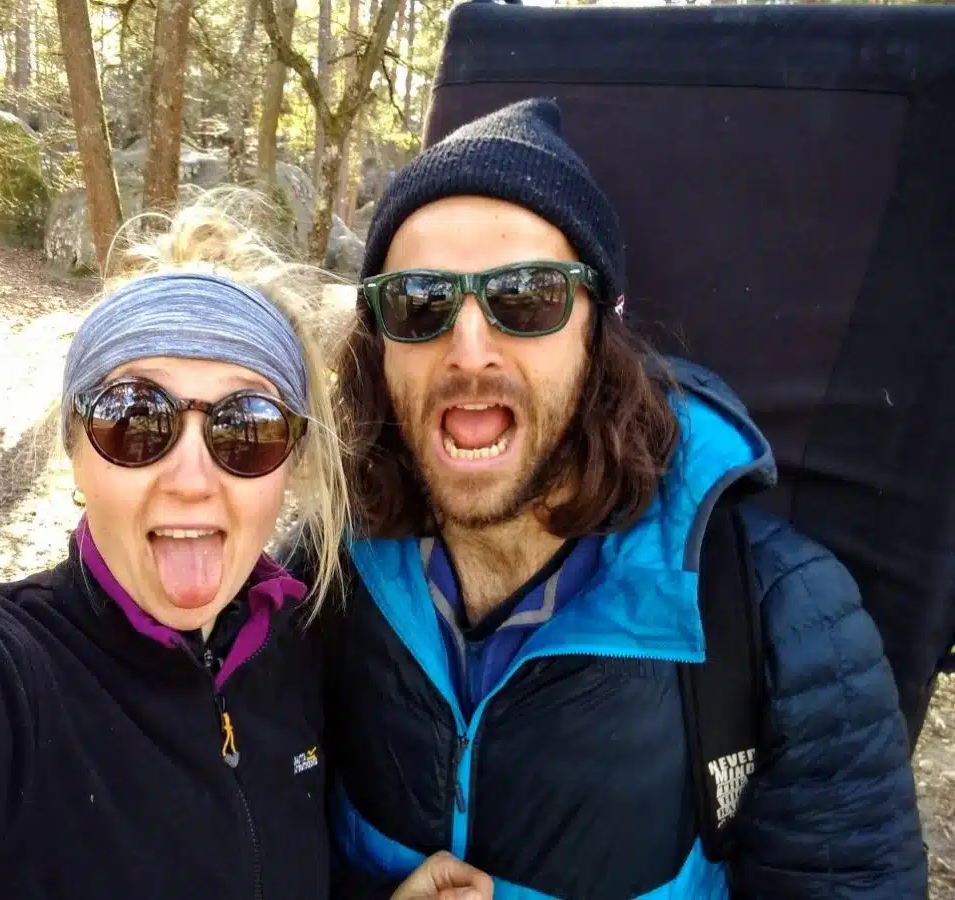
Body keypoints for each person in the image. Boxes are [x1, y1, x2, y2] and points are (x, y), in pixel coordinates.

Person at [0, 195, 491, 900]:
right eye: (135, 422)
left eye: (247, 427)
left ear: (290, 465)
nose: (192, 479)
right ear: (76, 452)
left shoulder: (299, 649)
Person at [316, 99, 928, 898]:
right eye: (420, 303)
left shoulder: (782, 617)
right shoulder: (320, 583)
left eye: (526, 297)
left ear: (598, 330)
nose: (468, 351)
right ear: (378, 343)